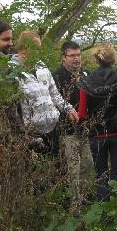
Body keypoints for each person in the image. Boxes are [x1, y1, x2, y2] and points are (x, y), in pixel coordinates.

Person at [79, 45, 117, 201]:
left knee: (101, 174)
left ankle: (103, 215)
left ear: (96, 59)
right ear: (113, 58)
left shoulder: (86, 81)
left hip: (97, 134)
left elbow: (82, 114)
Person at [11, 30, 78, 153]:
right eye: (36, 48)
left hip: (53, 128)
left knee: (57, 168)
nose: (39, 51)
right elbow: (12, 107)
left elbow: (54, 94)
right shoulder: (11, 70)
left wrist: (68, 108)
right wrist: (22, 133)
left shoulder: (41, 66)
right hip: (31, 132)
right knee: (37, 170)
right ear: (25, 47)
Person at [52, 41, 95, 204]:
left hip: (85, 128)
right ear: (64, 57)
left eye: (78, 55)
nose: (76, 59)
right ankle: (74, 202)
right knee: (73, 166)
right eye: (72, 56)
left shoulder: (86, 74)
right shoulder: (56, 76)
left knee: (88, 163)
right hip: (67, 129)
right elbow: (55, 101)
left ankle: (82, 196)